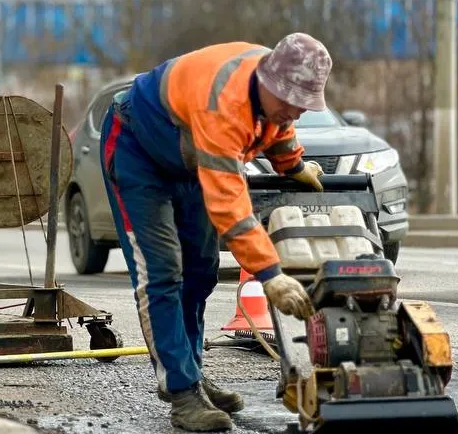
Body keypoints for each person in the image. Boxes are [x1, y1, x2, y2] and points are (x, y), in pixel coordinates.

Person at [99, 33, 332, 432]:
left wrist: (294, 167)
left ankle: (192, 370)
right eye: (291, 101)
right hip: (137, 151)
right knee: (162, 274)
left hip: (188, 158)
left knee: (202, 270)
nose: (295, 111)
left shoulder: (271, 90)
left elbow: (278, 126)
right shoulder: (224, 105)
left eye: (303, 105)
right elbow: (229, 206)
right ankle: (182, 391)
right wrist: (270, 275)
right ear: (270, 82)